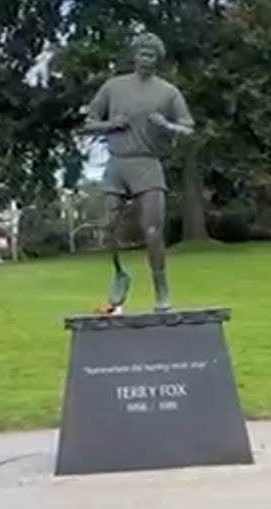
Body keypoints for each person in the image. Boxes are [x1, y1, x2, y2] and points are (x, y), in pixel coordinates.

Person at [78, 32, 195, 313]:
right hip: (117, 164)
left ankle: (162, 290)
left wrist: (166, 126)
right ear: (134, 56)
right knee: (109, 225)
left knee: (152, 231)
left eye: (151, 55)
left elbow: (188, 128)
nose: (145, 60)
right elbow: (89, 122)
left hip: (147, 165)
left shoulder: (168, 92)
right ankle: (119, 275)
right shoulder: (113, 87)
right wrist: (111, 125)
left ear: (158, 60)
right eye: (142, 54)